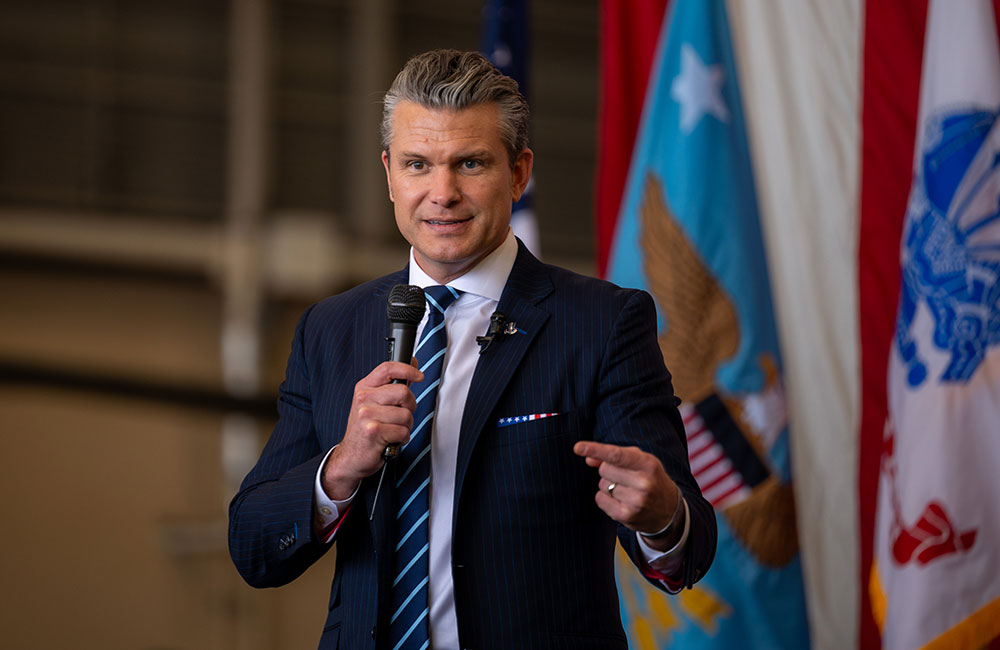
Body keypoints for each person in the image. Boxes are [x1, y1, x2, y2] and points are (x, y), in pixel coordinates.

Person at [229, 49, 716, 650]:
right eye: (417, 164)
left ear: (519, 173)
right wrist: (340, 468)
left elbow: (688, 553)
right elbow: (253, 548)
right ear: (388, 174)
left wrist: (662, 515)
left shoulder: (604, 323)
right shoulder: (330, 329)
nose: (442, 192)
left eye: (470, 163)